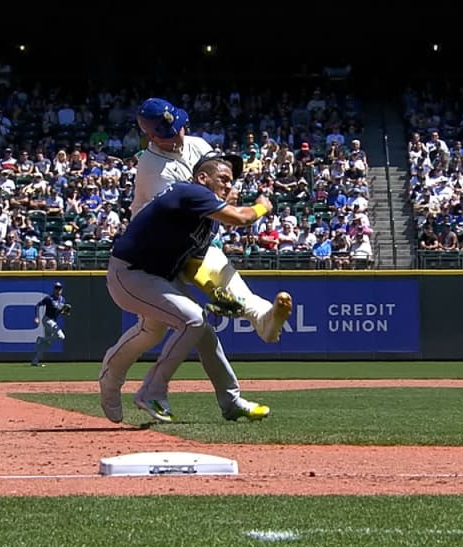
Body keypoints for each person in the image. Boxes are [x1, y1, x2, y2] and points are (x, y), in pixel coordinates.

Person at [98, 97, 293, 405]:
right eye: (167, 132)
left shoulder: (197, 144)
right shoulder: (152, 168)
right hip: (157, 253)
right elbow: (200, 204)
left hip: (190, 242)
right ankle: (113, 378)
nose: (177, 135)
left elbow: (221, 180)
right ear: (151, 136)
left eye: (178, 127)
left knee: (210, 305)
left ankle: (261, 327)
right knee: (156, 331)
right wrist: (257, 206)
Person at [102, 153, 272, 423]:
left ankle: (231, 401)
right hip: (130, 274)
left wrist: (215, 291)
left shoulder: (206, 218)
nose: (229, 186)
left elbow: (191, 264)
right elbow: (240, 218)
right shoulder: (191, 191)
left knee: (192, 331)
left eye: (231, 181)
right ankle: (150, 391)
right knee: (192, 320)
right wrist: (262, 206)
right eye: (223, 179)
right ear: (203, 178)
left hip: (158, 277)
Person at [31, 281, 68, 366]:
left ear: (61, 290)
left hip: (53, 321)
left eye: (59, 288)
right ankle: (41, 339)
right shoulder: (49, 298)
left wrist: (64, 312)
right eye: (56, 288)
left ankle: (35, 361)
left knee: (47, 344)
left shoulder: (62, 299)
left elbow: (59, 312)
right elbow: (37, 305)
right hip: (47, 320)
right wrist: (37, 317)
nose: (58, 290)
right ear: (54, 289)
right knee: (61, 336)